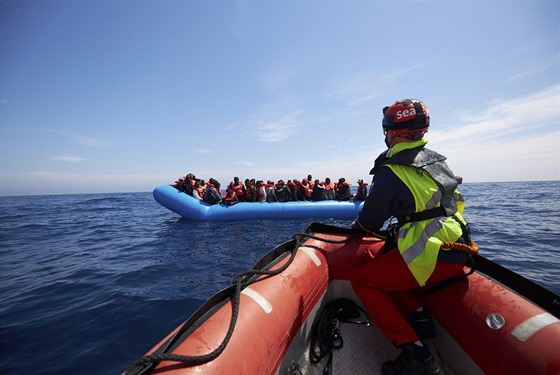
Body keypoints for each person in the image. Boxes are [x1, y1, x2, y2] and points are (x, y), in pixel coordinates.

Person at [350, 99, 471, 375]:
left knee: (364, 282)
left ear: (392, 133)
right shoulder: (439, 162)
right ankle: (419, 318)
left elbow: (370, 222)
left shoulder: (391, 171)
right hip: (458, 245)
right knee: (387, 263)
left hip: (431, 254)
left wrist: (359, 227)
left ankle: (415, 352)